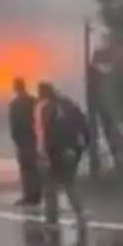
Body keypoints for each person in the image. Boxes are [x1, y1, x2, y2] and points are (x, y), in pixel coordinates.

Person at [34, 82, 90, 225]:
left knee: (50, 187)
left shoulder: (45, 107)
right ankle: (80, 213)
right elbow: (83, 123)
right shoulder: (68, 104)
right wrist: (82, 146)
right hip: (72, 151)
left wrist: (45, 153)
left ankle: (51, 220)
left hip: (55, 151)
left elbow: (47, 132)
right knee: (69, 183)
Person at [9, 77, 40, 206]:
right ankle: (36, 195)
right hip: (34, 139)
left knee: (26, 169)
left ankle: (28, 196)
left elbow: (13, 124)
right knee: (34, 168)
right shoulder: (33, 101)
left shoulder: (15, 104)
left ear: (16, 88)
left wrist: (16, 139)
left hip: (23, 139)